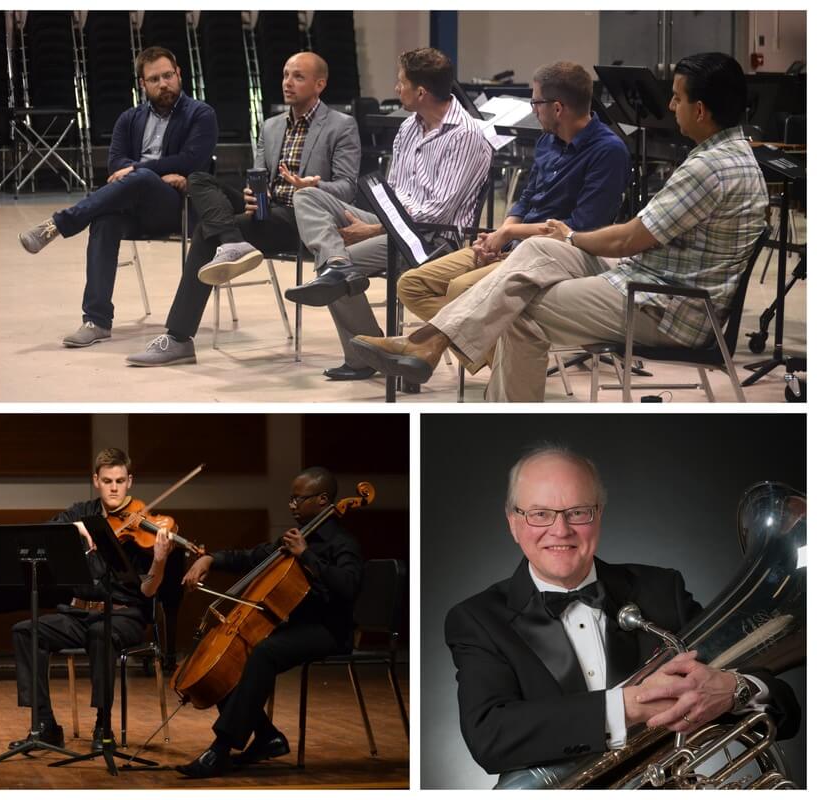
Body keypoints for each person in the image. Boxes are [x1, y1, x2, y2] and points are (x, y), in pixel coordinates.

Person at [351, 53, 768, 401]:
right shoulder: (729, 156)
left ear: (700, 109)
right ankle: (429, 345)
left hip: (666, 305)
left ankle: (445, 360)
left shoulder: (708, 168)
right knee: (531, 258)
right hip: (647, 281)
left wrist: (568, 237)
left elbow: (626, 238)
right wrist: (530, 233)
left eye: (676, 99)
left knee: (515, 305)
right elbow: (551, 208)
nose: (671, 107)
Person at [444, 444, 799, 777]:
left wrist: (732, 688)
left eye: (578, 512)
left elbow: (786, 708)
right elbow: (489, 735)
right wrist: (625, 708)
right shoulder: (478, 619)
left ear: (598, 515)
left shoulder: (662, 590)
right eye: (540, 514)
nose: (561, 530)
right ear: (513, 522)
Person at [127, 51, 361, 367]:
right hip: (268, 210)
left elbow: (348, 188)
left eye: (298, 77)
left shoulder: (341, 126)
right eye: (285, 75)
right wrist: (252, 193)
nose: (288, 83)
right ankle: (232, 239)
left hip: (304, 217)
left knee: (205, 233)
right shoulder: (271, 126)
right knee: (199, 178)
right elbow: (258, 175)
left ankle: (179, 338)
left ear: (320, 84)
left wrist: (311, 187)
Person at [396, 61, 629, 374]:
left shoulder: (608, 151)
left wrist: (510, 235)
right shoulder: (547, 140)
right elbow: (526, 197)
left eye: (535, 102)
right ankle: (507, 362)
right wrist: (500, 234)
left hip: (556, 257)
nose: (533, 109)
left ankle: (435, 348)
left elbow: (578, 229)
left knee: (460, 288)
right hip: (515, 245)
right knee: (412, 284)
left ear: (557, 107)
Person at [280, 48, 491, 381]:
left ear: (420, 92)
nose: (396, 88)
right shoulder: (409, 128)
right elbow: (391, 194)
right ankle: (340, 270)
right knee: (308, 196)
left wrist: (373, 229)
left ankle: (364, 349)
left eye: (401, 82)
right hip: (392, 223)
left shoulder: (466, 135)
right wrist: (378, 222)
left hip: (432, 238)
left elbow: (437, 211)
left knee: (330, 268)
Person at [18, 46, 218, 348]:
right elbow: (115, 164)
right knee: (104, 220)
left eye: (167, 76)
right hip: (132, 206)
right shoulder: (129, 118)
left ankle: (59, 223)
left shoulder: (200, 114)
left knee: (141, 177)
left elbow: (192, 161)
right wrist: (147, 172)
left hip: (177, 206)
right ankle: (96, 321)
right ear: (143, 84)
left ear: (179, 74)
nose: (163, 84)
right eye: (154, 79)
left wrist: (140, 169)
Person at [176, 467, 363, 778]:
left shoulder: (342, 544)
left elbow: (348, 588)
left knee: (264, 651)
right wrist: (211, 559)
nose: (291, 505)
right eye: (290, 498)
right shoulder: (293, 539)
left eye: (298, 499)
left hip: (330, 631)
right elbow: (250, 557)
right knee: (234, 656)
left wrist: (308, 557)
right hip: (295, 628)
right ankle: (266, 737)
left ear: (322, 500)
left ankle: (221, 749)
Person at [11, 448, 176, 750]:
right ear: (96, 481)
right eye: (107, 480)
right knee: (25, 631)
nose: (114, 488)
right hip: (78, 613)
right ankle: (45, 724)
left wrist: (160, 561)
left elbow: (148, 592)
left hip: (124, 616)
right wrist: (74, 527)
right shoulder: (82, 511)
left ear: (130, 481)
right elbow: (46, 532)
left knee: (101, 634)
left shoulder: (145, 530)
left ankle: (104, 724)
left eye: (120, 480)